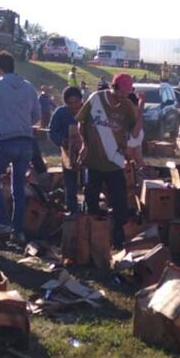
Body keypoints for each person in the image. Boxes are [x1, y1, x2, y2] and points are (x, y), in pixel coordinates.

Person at [0, 51, 40, 241]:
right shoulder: (28, 86)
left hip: (6, 140)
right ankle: (18, 230)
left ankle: (3, 221)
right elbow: (36, 115)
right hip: (26, 142)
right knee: (18, 186)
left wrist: (1, 117)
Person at [77, 73, 138, 248]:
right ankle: (90, 237)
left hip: (115, 163)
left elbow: (134, 131)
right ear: (114, 87)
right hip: (94, 161)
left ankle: (118, 237)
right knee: (91, 199)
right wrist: (84, 144)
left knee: (119, 202)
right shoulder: (96, 98)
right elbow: (81, 121)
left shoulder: (127, 106)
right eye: (121, 92)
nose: (123, 96)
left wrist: (139, 107)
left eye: (127, 93)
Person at [49, 86, 84, 213]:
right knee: (70, 183)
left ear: (81, 100)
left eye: (76, 102)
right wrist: (62, 141)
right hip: (68, 154)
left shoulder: (88, 112)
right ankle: (72, 209)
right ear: (65, 103)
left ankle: (89, 209)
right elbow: (52, 131)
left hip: (87, 154)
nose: (74, 106)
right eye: (70, 103)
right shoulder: (60, 113)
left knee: (89, 183)